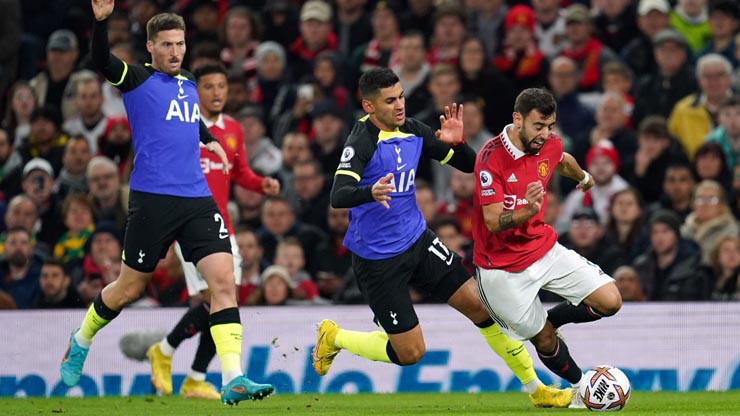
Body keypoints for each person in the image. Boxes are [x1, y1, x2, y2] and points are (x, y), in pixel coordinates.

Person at [312, 68, 572, 408]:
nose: (400, 105)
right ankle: (335, 336)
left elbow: (472, 166)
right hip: (378, 259)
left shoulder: (413, 129)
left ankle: (536, 388)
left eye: (401, 96)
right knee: (410, 353)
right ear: (369, 106)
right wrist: (369, 191)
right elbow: (339, 194)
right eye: (390, 101)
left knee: (482, 307)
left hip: (418, 241)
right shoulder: (361, 141)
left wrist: (457, 143)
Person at [59, 1, 274, 406]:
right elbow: (101, 60)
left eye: (180, 44)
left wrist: (208, 138)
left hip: (196, 199)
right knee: (128, 288)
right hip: (153, 201)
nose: (175, 52)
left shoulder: (189, 82)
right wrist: (101, 22)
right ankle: (81, 338)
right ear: (151, 47)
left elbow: (187, 118)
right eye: (167, 45)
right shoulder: (136, 78)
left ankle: (233, 377)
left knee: (223, 284)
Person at [472, 88, 622, 408]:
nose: (545, 134)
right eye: (538, 126)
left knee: (610, 301)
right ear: (518, 119)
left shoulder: (549, 143)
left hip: (543, 248)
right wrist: (527, 210)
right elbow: (493, 221)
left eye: (549, 126)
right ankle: (581, 387)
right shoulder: (489, 158)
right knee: (542, 339)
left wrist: (583, 177)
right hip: (501, 269)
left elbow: (561, 159)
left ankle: (551, 319)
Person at [144, 62, 280, 399]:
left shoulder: (232, 128)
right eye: (208, 86)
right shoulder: (180, 126)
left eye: (222, 86)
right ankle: (167, 351)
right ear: (195, 91)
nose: (217, 92)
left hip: (223, 228)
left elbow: (239, 171)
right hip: (190, 227)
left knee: (223, 303)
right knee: (215, 299)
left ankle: (193, 376)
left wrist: (260, 184)